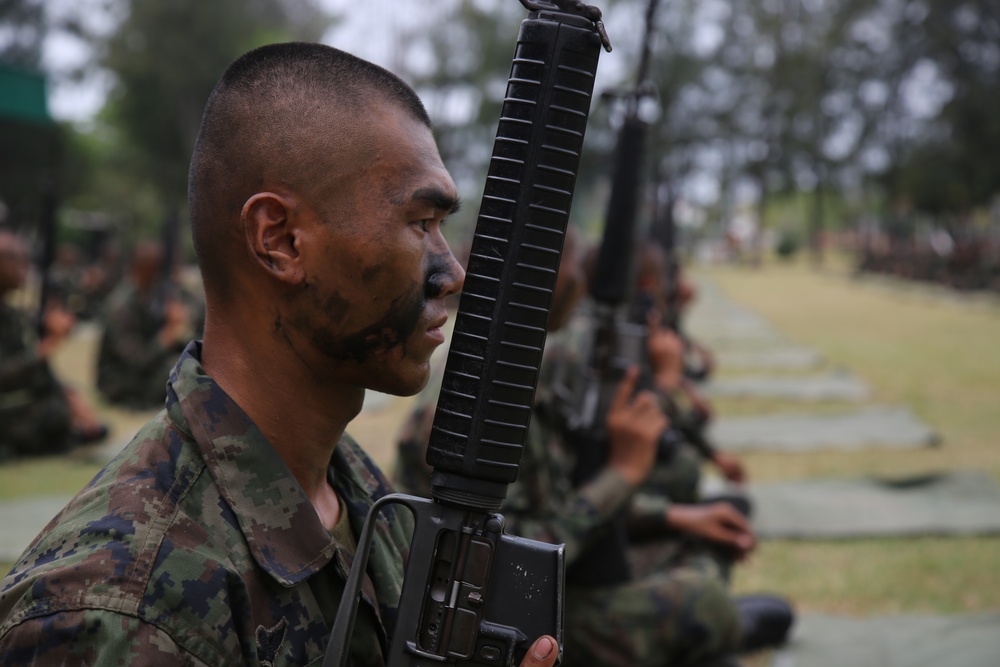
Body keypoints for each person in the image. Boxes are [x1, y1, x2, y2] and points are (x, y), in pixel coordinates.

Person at [0, 43, 560, 667]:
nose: (452, 272)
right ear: (281, 240)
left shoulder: (359, 491)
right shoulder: (115, 613)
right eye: (421, 222)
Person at [396, 231, 791, 667]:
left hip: (557, 581)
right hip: (491, 622)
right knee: (703, 600)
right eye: (573, 264)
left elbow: (562, 494)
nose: (583, 279)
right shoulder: (475, 399)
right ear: (536, 278)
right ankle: (707, 626)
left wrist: (671, 514)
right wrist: (621, 473)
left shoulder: (533, 371)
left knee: (703, 541)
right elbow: (509, 562)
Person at [0, 230, 108, 459]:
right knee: (54, 412)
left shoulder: (9, 312)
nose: (24, 266)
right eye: (15, 258)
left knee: (61, 399)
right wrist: (49, 343)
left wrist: (66, 392)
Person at [96, 240, 199, 410]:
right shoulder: (121, 307)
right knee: (180, 373)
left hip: (143, 372)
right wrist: (167, 335)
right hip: (120, 381)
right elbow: (136, 360)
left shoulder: (149, 298)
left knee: (191, 366)